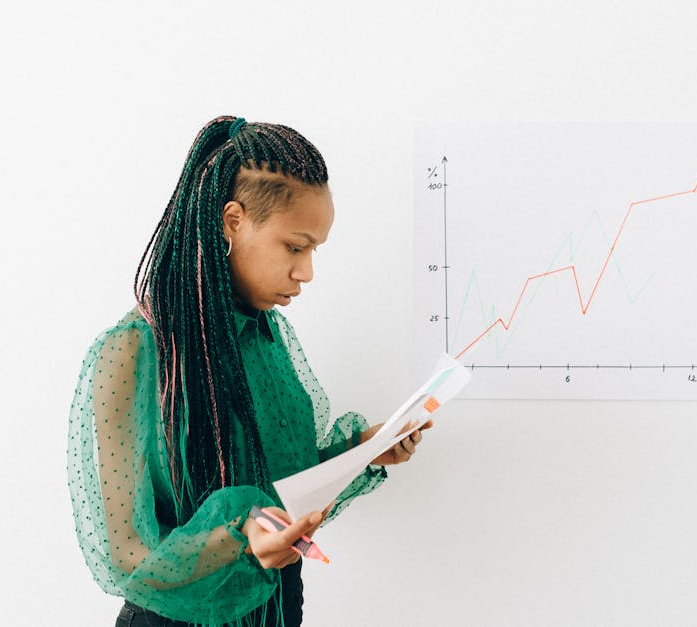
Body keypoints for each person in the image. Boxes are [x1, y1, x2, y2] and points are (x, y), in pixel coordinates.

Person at [67, 116, 429, 627]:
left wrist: (363, 451)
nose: (307, 272)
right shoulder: (130, 353)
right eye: (295, 247)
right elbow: (127, 558)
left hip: (276, 613)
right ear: (232, 221)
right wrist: (242, 540)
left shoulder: (267, 333)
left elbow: (282, 487)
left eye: (314, 250)